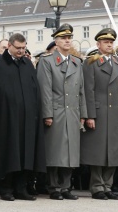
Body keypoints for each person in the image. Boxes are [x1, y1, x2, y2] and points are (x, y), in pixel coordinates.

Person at [0, 33, 45, 201]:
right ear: (10, 46)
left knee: (26, 153)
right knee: (9, 152)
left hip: (27, 118)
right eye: (18, 48)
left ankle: (22, 188)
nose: (21, 51)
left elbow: (35, 90)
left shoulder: (28, 64)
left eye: (23, 48)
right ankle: (6, 188)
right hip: (7, 119)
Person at [37, 24, 86, 200]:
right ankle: (53, 187)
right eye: (63, 38)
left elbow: (82, 91)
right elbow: (45, 90)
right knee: (55, 151)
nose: (67, 41)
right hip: (57, 111)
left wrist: (83, 115)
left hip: (72, 112)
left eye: (69, 38)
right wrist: (47, 114)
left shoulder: (77, 62)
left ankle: (66, 187)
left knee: (71, 152)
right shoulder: (47, 61)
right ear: (56, 41)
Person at [80, 28, 118, 200]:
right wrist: (90, 115)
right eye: (105, 42)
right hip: (99, 111)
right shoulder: (91, 62)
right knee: (98, 152)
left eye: (111, 42)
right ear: (98, 45)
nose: (109, 45)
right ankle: (97, 186)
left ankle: (107, 185)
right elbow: (88, 90)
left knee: (113, 151)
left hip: (114, 111)